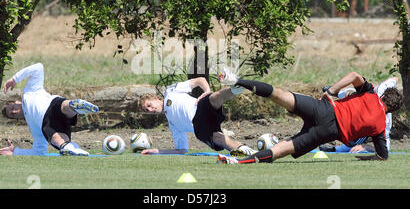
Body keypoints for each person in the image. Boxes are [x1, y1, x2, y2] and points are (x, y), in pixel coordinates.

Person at [216, 68, 403, 164]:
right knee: (280, 150)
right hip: (327, 132)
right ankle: (238, 162)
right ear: (392, 110)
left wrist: (331, 90)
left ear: (383, 96)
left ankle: (236, 80)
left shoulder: (370, 93)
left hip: (323, 108)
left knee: (279, 94)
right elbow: (382, 156)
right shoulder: (381, 127)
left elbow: (354, 75)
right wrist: (366, 158)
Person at [0, 63, 99, 156]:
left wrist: (15, 79)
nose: (14, 111)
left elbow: (38, 67)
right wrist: (15, 152)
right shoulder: (33, 127)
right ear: (16, 119)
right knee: (54, 137)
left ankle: (76, 106)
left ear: (16, 102)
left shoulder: (29, 91)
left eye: (12, 108)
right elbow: (38, 152)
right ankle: (70, 147)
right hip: (48, 124)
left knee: (63, 106)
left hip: (52, 104)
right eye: (12, 114)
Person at [139, 77, 256, 156]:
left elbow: (200, 80)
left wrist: (207, 91)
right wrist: (157, 151)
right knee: (219, 139)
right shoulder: (172, 125)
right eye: (147, 110)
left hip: (200, 108)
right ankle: (249, 152)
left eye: (149, 105)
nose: (150, 110)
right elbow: (181, 150)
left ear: (155, 98)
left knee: (212, 98)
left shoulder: (170, 91)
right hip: (201, 127)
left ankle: (237, 86)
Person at [319, 77, 399, 153]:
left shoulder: (385, 122)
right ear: (383, 96)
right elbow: (395, 78)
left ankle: (338, 148)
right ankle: (338, 93)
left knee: (355, 135)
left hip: (362, 118)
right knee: (352, 94)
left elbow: (385, 149)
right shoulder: (380, 90)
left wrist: (365, 147)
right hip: (359, 99)